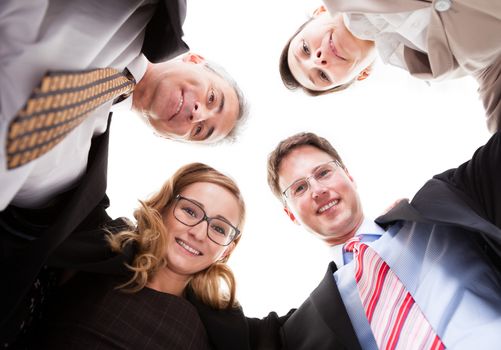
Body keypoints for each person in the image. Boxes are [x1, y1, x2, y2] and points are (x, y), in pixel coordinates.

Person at [0, 0, 247, 343]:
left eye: (201, 131)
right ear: (195, 60)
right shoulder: (143, 12)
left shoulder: (76, 172)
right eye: (212, 98)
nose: (197, 114)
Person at [190, 131, 501, 349]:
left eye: (323, 173)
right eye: (299, 188)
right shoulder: (301, 327)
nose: (317, 190)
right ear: (291, 215)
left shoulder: (444, 204)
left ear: (348, 176)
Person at [25, 163, 245, 349]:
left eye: (218, 228)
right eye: (189, 211)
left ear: (226, 250)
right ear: (164, 207)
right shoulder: (98, 251)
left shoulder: (217, 331)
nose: (197, 233)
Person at [280, 3, 501, 132]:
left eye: (305, 49)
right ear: (363, 75)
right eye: (322, 76)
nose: (317, 59)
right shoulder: (431, 63)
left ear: (320, 11)